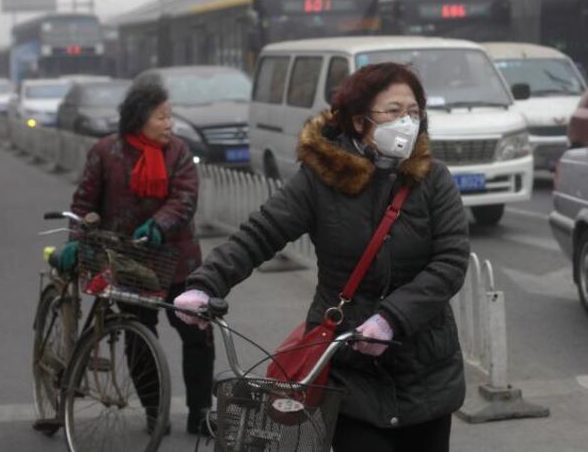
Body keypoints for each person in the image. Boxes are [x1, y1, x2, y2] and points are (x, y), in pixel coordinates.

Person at [175, 62, 470, 452]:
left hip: (425, 367)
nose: (407, 122)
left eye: (414, 112)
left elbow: (450, 261)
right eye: (394, 111)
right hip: (348, 365)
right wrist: (204, 284)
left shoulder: (433, 178)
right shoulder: (319, 180)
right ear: (360, 120)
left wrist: (392, 319)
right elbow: (261, 233)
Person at [55, 76, 214, 436]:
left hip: (178, 261)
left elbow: (185, 198)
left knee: (198, 335)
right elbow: (84, 204)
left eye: (169, 116)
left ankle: (200, 411)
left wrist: (159, 224)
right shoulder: (105, 152)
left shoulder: (178, 152)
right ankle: (154, 412)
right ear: (139, 116)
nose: (169, 124)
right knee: (139, 335)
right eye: (161, 116)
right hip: (126, 262)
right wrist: (76, 241)